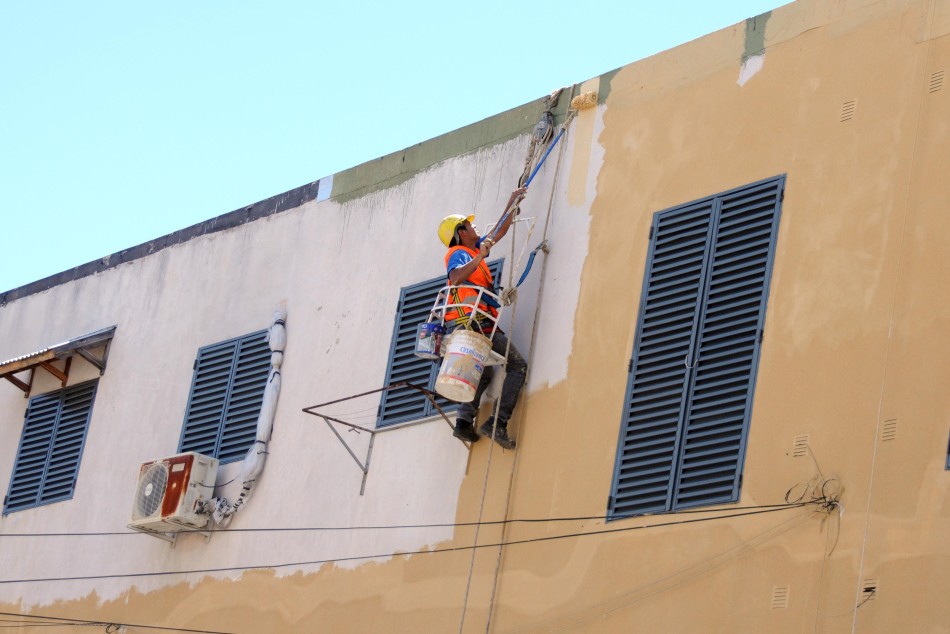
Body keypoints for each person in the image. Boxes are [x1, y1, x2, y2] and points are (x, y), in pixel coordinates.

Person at [436, 187, 528, 449]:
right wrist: (479, 256)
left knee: (483, 373)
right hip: (476, 323)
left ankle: (464, 423)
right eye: (468, 224)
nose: (473, 226)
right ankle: (496, 422)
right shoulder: (459, 254)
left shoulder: (473, 249)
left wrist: (512, 202)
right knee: (518, 365)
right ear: (460, 233)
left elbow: (498, 232)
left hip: (475, 322)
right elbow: (455, 278)